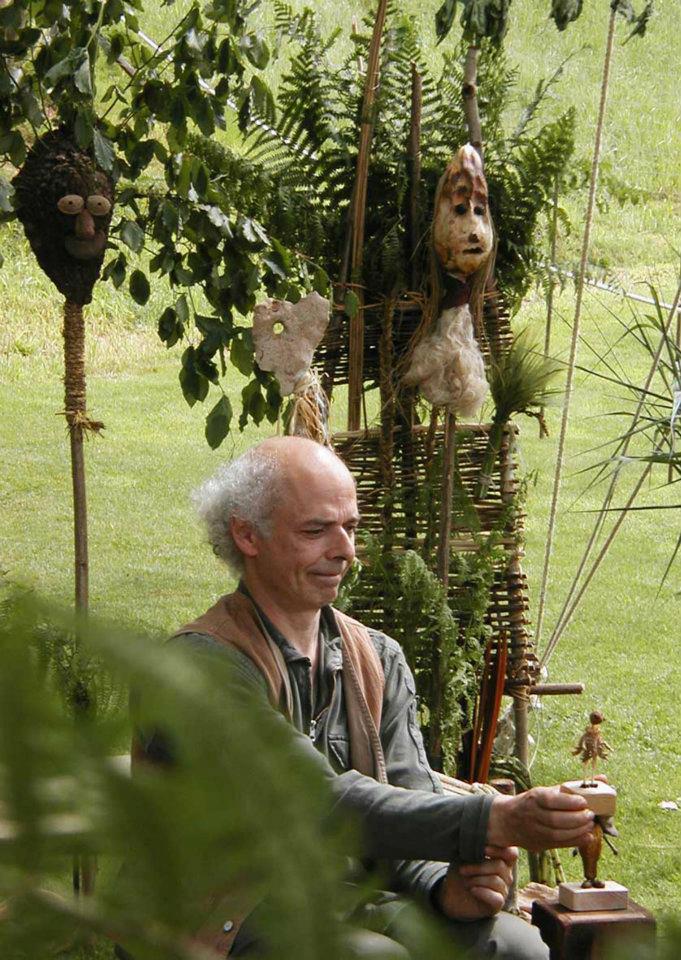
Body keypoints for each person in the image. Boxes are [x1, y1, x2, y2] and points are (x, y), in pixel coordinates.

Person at [174, 437, 596, 958]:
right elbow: (319, 803)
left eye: (350, 527)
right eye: (316, 530)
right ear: (247, 534)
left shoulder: (376, 656)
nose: (345, 550)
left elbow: (408, 797)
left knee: (517, 947)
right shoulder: (203, 664)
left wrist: (446, 889)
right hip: (228, 909)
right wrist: (493, 818)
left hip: (355, 899)